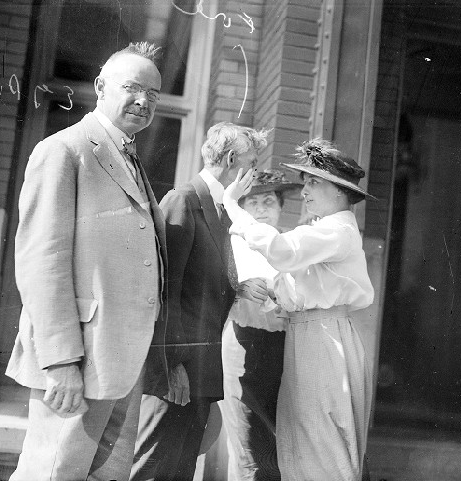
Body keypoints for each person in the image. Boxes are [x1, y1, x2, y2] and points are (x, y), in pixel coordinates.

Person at [6, 42, 169, 481]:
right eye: (132, 88)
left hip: (121, 361)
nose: (143, 101)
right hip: (77, 360)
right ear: (100, 86)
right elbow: (42, 262)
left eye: (153, 94)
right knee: (51, 473)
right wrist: (60, 363)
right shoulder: (65, 150)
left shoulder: (129, 156)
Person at [223, 138, 376, 481]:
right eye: (305, 181)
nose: (305, 191)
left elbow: (281, 250)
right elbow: (288, 281)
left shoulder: (337, 230)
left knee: (323, 446)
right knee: (303, 446)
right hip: (307, 333)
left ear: (339, 190)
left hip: (323, 337)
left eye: (313, 182)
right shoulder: (324, 228)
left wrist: (231, 205)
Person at [131, 122, 269, 481]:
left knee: (178, 472)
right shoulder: (183, 200)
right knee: (151, 469)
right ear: (229, 159)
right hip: (177, 373)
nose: (253, 171)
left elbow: (201, 281)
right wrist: (172, 365)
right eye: (251, 162)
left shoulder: (222, 209)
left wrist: (238, 286)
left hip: (202, 371)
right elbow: (164, 293)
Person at [219, 169, 301, 481]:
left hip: (282, 350)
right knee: (249, 446)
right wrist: (237, 288)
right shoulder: (235, 243)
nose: (262, 209)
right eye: (253, 203)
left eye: (269, 201)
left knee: (277, 446)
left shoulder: (291, 248)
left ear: (281, 207)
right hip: (244, 345)